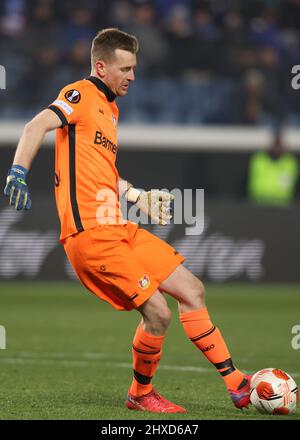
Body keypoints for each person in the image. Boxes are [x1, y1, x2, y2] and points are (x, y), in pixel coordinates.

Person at [4, 28, 251, 413]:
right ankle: (140, 394)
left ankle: (237, 384)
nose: (132, 76)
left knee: (191, 288)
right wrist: (17, 171)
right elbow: (34, 126)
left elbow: (102, 170)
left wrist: (135, 196)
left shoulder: (111, 110)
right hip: (90, 234)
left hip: (119, 226)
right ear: (101, 67)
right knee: (158, 312)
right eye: (126, 68)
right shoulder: (80, 94)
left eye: (134, 68)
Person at [248, 131, 299, 206]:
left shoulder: (290, 162)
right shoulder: (259, 160)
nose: (277, 148)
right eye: (275, 144)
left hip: (283, 205)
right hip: (259, 203)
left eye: (279, 144)